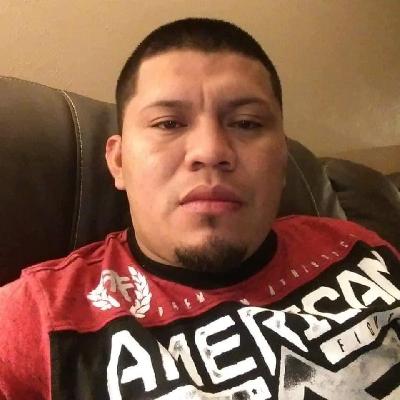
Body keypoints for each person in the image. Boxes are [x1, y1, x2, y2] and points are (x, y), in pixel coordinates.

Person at [0, 18, 399, 400]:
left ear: (281, 160)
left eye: (246, 123)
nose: (210, 151)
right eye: (169, 123)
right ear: (119, 162)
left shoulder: (354, 245)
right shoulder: (38, 318)